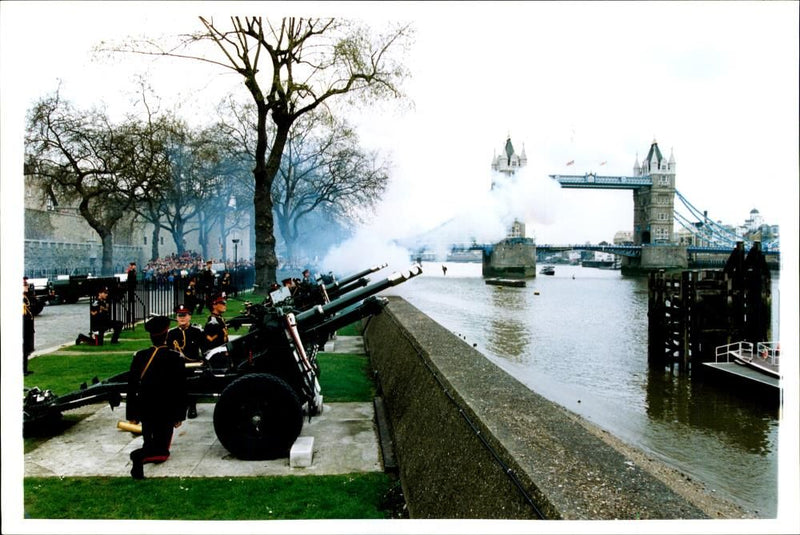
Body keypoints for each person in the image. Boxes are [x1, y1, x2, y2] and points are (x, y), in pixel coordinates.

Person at [126, 315, 187, 480]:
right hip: (165, 410)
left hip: (145, 408)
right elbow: (180, 389)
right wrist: (179, 415)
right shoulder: (175, 358)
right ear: (167, 334)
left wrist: (132, 415)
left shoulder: (140, 356)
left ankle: (144, 452)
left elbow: (132, 387)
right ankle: (139, 456)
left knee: (150, 440)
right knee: (162, 453)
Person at [167, 304, 204, 419]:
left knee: (191, 385)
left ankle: (192, 406)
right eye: (179, 316)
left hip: (193, 364)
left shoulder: (197, 331)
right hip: (177, 365)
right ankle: (179, 407)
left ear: (190, 317)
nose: (182, 318)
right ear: (177, 317)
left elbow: (204, 348)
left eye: (184, 315)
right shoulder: (171, 333)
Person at [23, 279, 35, 376]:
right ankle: (22, 370)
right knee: (23, 349)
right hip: (24, 327)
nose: (27, 285)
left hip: (28, 327)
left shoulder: (26, 297)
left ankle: (25, 369)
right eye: (25, 284)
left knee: (27, 349)